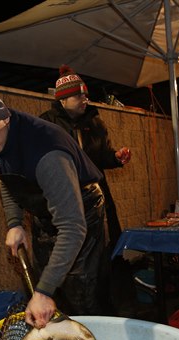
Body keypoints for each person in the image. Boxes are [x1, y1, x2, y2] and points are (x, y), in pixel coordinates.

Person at [0, 83, 106, 328]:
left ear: (3, 117)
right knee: (47, 286)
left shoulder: (48, 153)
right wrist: (15, 223)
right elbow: (7, 176)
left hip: (81, 211)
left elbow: (73, 227)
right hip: (46, 212)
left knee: (80, 296)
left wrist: (43, 292)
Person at [39, 65, 131, 315]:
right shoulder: (46, 125)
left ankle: (102, 312)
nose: (84, 99)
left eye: (85, 95)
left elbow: (101, 157)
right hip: (65, 202)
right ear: (63, 99)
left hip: (96, 198)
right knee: (74, 266)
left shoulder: (95, 123)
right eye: (79, 95)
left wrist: (115, 157)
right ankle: (73, 314)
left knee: (100, 260)